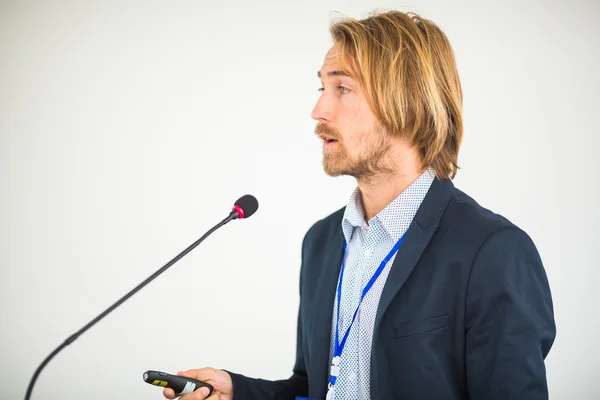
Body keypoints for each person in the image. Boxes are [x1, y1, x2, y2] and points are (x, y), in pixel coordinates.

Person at [163, 10, 555, 400]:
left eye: (343, 89)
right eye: (322, 89)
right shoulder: (320, 242)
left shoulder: (494, 251)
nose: (318, 112)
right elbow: (316, 387)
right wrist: (238, 393)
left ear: (407, 100)